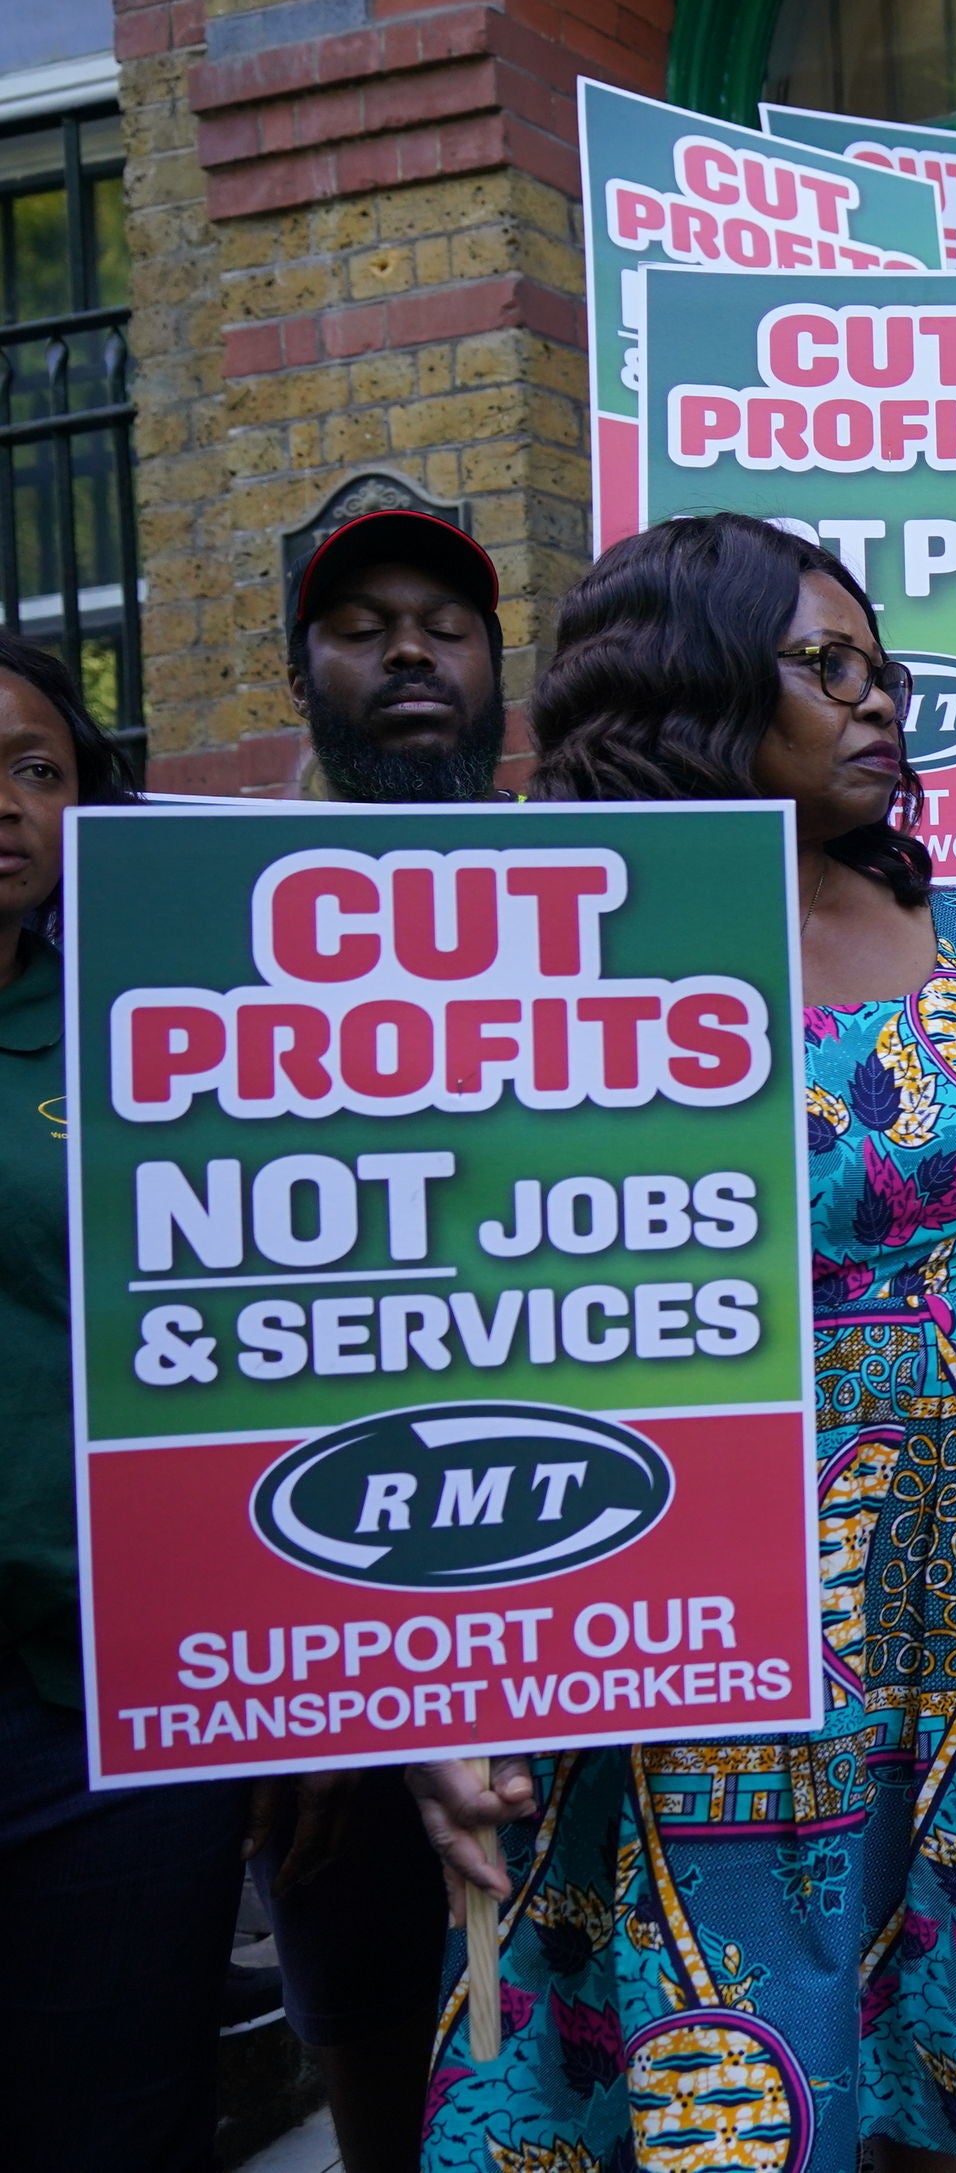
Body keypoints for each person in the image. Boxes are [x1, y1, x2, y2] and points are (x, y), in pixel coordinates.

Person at [410, 513, 956, 2167]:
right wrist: (457, 1677)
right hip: (729, 1599)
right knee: (758, 2041)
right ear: (693, 694)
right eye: (820, 667)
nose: (877, 698)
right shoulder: (580, 966)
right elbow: (475, 1320)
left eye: (879, 662)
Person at [249, 496, 505, 2173]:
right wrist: (306, 1667)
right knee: (370, 2015)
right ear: (304, 670)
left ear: (499, 663)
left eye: (446, 620)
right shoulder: (209, 924)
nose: (410, 649)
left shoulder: (613, 892)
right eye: (366, 624)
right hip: (329, 1618)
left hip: (597, 1592)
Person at [0, 641, 245, 2173]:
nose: (11, 802)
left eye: (41, 768)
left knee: (115, 2126)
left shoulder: (142, 1033)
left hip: (103, 1712)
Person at [287, 499, 510, 803]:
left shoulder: (579, 844)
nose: (410, 649)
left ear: (496, 671)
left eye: (447, 627)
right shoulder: (245, 850)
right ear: (301, 689)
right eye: (361, 628)